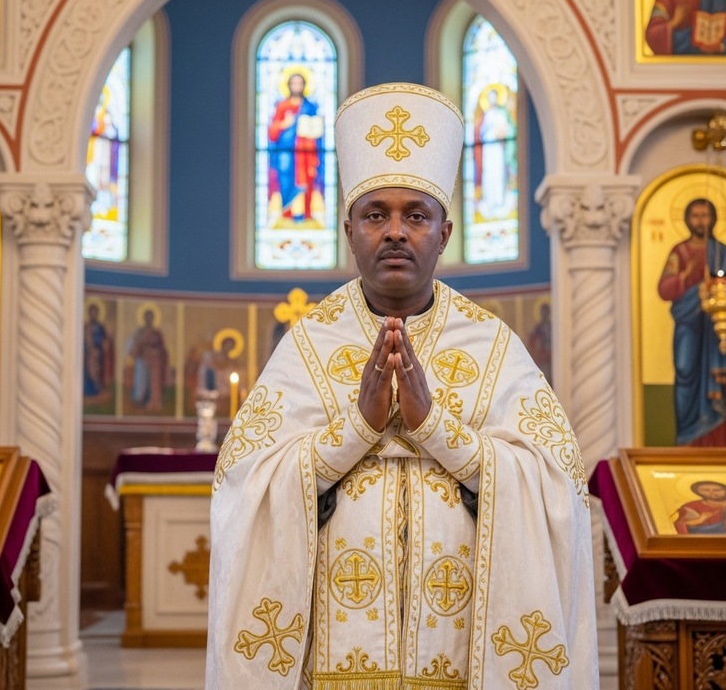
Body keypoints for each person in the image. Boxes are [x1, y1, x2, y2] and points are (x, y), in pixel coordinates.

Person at [206, 82, 598, 689]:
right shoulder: (307, 348)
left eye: (415, 215)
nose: (394, 231)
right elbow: (244, 488)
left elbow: (558, 489)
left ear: (443, 233)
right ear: (349, 231)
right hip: (331, 659)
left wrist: (434, 428)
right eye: (375, 215)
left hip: (461, 657)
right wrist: (357, 428)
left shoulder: (494, 347)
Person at [657, 198, 726, 446]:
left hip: (717, 327)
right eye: (695, 216)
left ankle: (717, 443)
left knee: (718, 376)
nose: (700, 221)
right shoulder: (680, 252)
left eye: (705, 216)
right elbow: (664, 289)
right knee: (685, 371)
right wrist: (686, 277)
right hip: (688, 324)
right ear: (687, 219)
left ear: (713, 219)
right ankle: (686, 439)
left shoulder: (721, 252)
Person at [267, 71, 323, 222]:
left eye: (300, 83)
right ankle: (287, 213)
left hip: (306, 151)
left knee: (307, 180)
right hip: (287, 152)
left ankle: (307, 214)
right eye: (294, 83)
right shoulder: (282, 106)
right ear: (288, 85)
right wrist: (284, 124)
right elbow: (272, 132)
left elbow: (318, 129)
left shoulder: (309, 106)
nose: (297, 86)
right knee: (286, 181)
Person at [474, 85, 515, 219]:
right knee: (489, 174)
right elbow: (480, 131)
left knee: (499, 174)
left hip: (499, 149)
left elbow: (508, 128)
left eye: (495, 97)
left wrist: (502, 132)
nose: (493, 99)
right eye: (490, 97)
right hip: (488, 149)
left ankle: (500, 201)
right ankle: (490, 202)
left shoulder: (502, 113)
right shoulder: (486, 115)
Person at [128, 307, 169, 412]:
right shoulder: (140, 332)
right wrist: (143, 350)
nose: (149, 319)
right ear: (144, 318)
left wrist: (158, 352)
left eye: (151, 317)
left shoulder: (156, 332)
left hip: (155, 362)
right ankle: (140, 400)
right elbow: (135, 346)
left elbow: (162, 347)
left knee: (154, 381)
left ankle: (153, 401)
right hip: (143, 360)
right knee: (142, 380)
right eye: (147, 317)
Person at [84, 302, 114, 397]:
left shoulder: (100, 326)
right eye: (92, 312)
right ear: (89, 313)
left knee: (98, 370)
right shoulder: (86, 326)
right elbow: (85, 340)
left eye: (95, 312)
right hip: (89, 353)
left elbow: (105, 338)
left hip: (100, 352)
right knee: (90, 370)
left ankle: (98, 388)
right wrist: (91, 348)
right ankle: (89, 390)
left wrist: (107, 340)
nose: (94, 314)